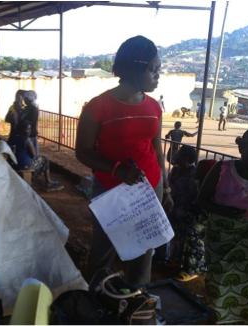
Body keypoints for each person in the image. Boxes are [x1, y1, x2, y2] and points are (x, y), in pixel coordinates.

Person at [75, 36, 174, 287]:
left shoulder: (154, 107)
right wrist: (118, 170)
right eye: (153, 69)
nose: (158, 75)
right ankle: (97, 301)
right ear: (134, 68)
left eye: (159, 69)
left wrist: (166, 186)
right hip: (111, 189)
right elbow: (83, 152)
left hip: (150, 186)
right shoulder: (99, 107)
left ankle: (136, 303)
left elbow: (156, 149)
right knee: (104, 249)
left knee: (145, 250)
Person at [197, 127, 248, 325]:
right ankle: (217, 317)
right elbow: (201, 200)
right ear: (241, 148)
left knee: (247, 281)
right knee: (219, 279)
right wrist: (226, 212)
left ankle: (241, 319)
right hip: (222, 237)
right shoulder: (222, 169)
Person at [167, 147, 217, 282]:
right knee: (179, 226)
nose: (197, 172)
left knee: (192, 230)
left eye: (200, 171)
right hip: (184, 208)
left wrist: (178, 206)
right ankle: (178, 259)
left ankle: (194, 268)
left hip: (196, 214)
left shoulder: (206, 186)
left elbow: (193, 199)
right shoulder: (178, 171)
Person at [7, 120, 62, 190]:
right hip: (22, 165)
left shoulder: (12, 137)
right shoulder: (26, 139)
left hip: (12, 164)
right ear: (21, 129)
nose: (30, 131)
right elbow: (33, 155)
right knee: (44, 159)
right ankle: (48, 181)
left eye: (30, 129)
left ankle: (30, 179)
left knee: (32, 160)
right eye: (28, 129)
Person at [20, 90, 40, 157]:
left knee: (32, 153)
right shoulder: (28, 108)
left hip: (30, 134)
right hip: (28, 133)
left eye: (25, 98)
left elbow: (30, 122)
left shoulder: (33, 109)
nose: (24, 100)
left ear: (29, 99)